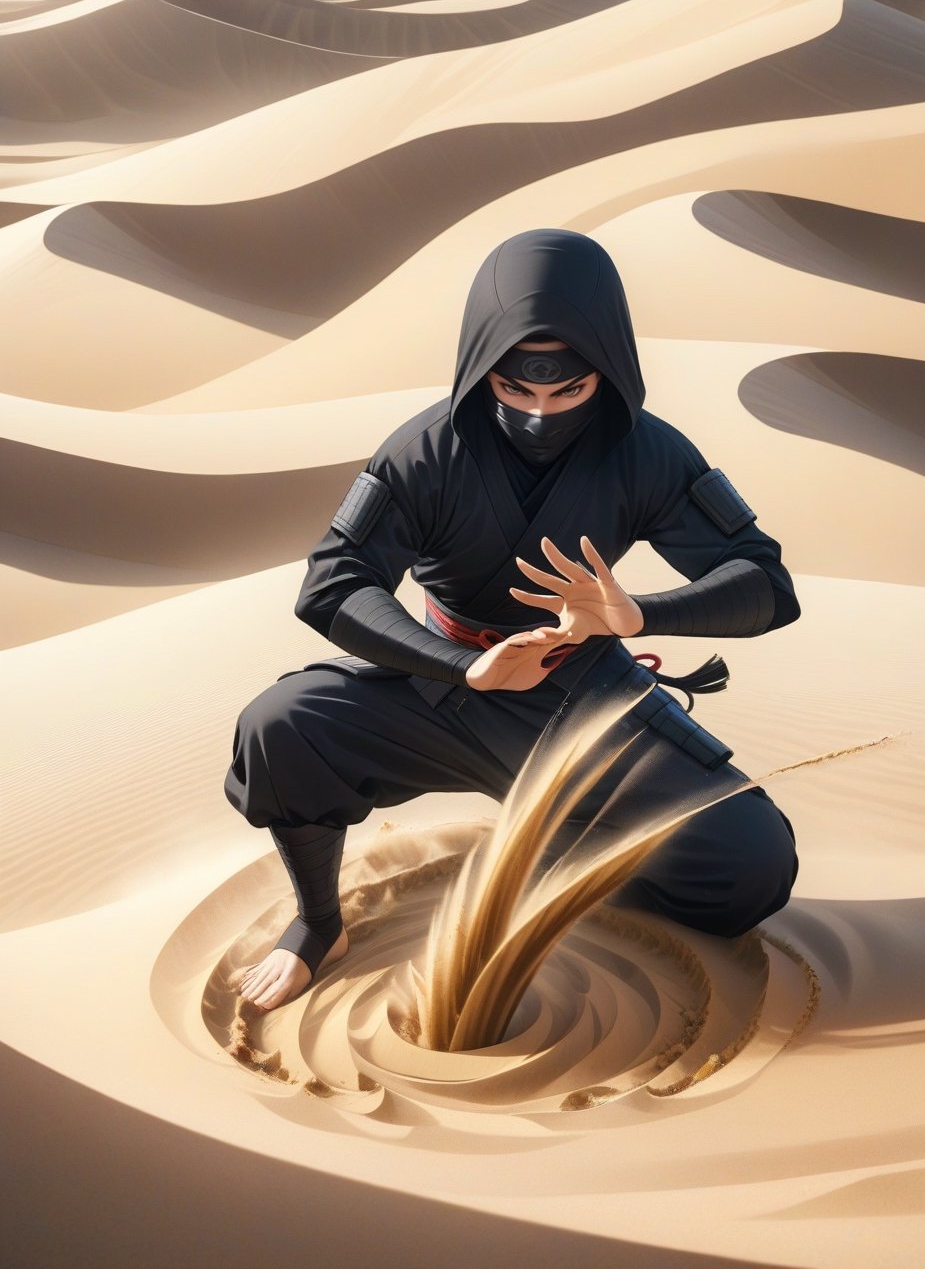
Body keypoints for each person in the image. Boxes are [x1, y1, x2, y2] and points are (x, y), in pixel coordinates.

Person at [226, 227, 802, 1012]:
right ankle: (319, 925)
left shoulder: (650, 453)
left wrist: (637, 614)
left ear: (610, 370)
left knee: (752, 869)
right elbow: (331, 584)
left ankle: (576, 846)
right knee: (279, 727)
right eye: (515, 391)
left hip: (583, 696)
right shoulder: (422, 453)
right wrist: (463, 665)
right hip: (443, 690)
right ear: (479, 369)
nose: (539, 412)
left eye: (568, 391)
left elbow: (766, 583)